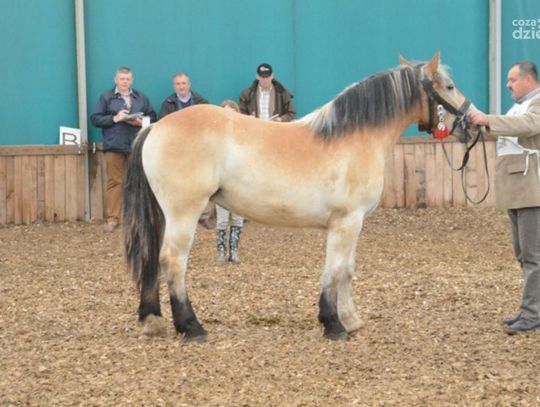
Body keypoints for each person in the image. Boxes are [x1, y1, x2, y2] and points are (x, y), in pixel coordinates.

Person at [469, 61, 540, 334]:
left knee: (533, 257)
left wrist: (488, 119)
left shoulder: (535, 104)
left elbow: (528, 125)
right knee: (524, 255)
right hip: (517, 188)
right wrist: (481, 125)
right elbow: (511, 130)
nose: (508, 85)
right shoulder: (518, 107)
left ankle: (532, 314)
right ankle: (531, 309)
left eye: (512, 79)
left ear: (528, 80)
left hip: (531, 188)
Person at [91, 66, 156, 232]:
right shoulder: (106, 97)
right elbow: (95, 119)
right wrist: (115, 118)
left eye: (127, 79)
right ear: (115, 80)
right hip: (114, 145)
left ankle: (139, 218)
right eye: (122, 79)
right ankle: (113, 219)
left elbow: (153, 117)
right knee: (115, 181)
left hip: (136, 145)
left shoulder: (141, 98)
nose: (125, 82)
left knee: (139, 182)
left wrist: (141, 122)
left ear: (131, 80)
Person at [158, 71, 214, 229]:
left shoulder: (201, 102)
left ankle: (204, 216)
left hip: (199, 149)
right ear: (174, 86)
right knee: (176, 182)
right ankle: (176, 216)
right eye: (178, 84)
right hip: (177, 150)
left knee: (204, 182)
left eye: (184, 83)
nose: (181, 86)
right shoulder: (168, 104)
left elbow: (209, 123)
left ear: (189, 84)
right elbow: (163, 125)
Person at [216, 100, 244, 263]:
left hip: (239, 183)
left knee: (238, 217)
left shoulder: (243, 136)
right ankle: (221, 251)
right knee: (222, 218)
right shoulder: (217, 137)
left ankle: (234, 251)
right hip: (222, 183)